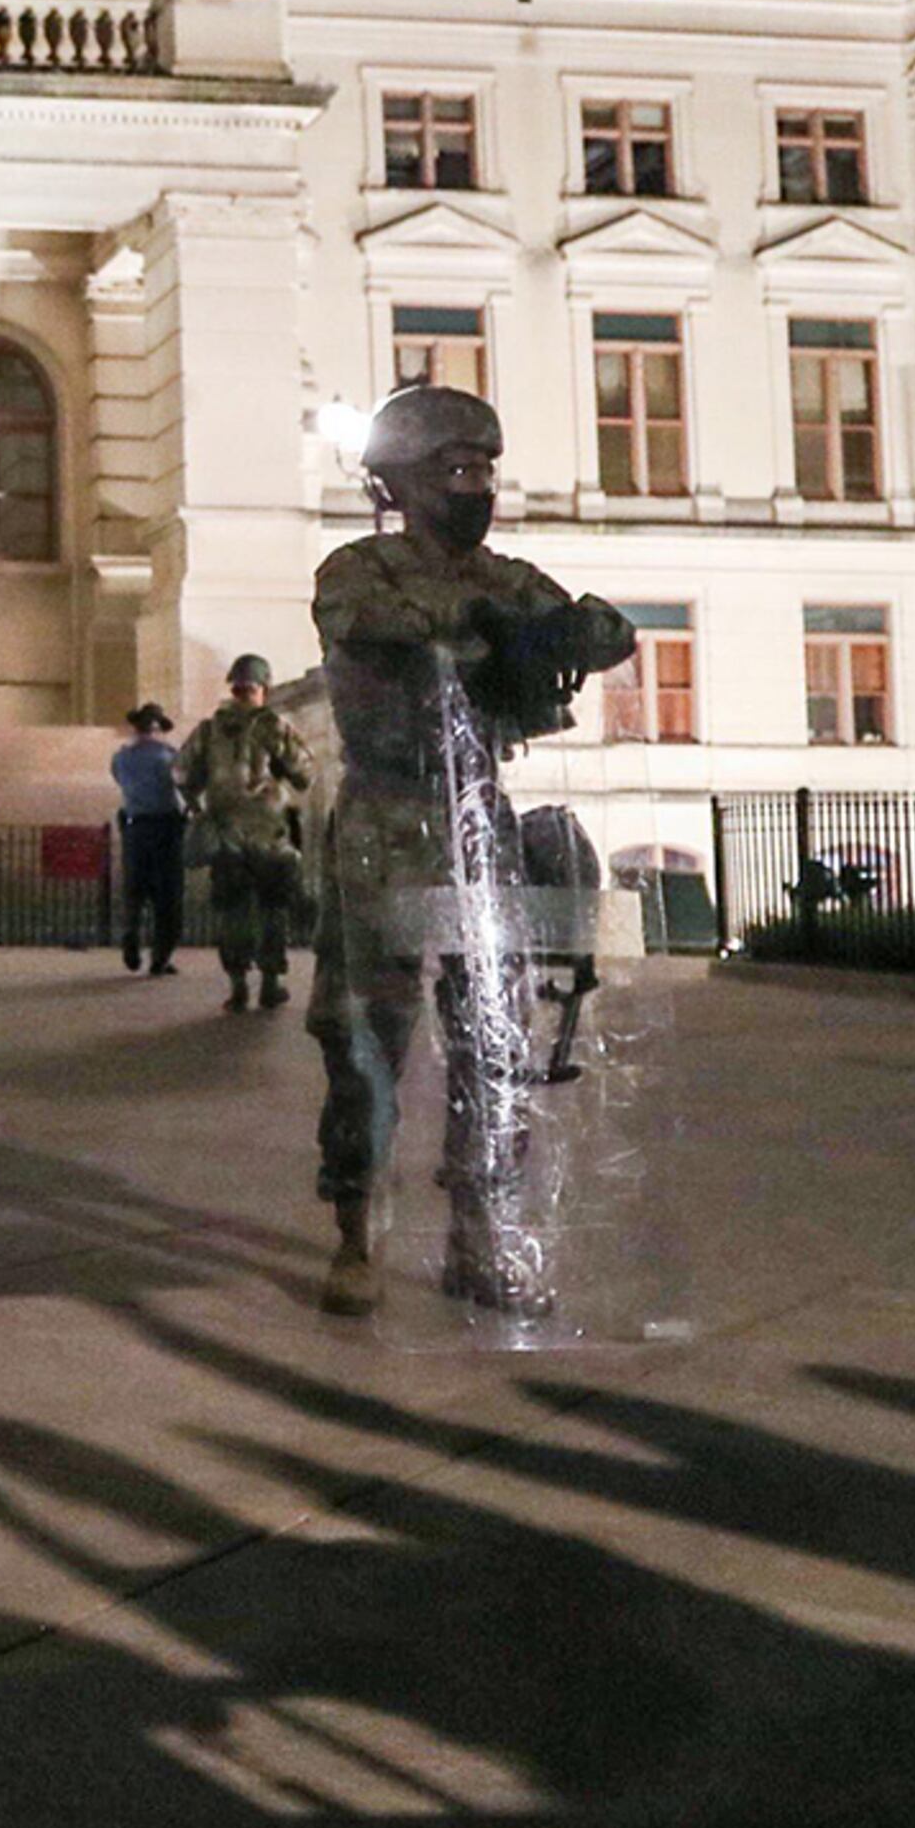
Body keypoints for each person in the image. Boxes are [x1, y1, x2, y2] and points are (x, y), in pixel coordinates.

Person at [309, 384, 636, 1319]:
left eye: (483, 469)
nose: (474, 486)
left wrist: (561, 630)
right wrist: (480, 634)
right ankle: (357, 1230)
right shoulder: (360, 567)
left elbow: (605, 631)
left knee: (492, 1039)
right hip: (384, 817)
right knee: (366, 1036)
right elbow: (365, 625)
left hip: (477, 818)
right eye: (454, 469)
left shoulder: (509, 576)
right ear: (401, 482)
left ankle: (481, 1233)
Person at [179, 653, 314, 1015]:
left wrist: (198, 807)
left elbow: (181, 775)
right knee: (273, 908)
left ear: (234, 688)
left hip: (227, 835)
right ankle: (271, 983)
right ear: (263, 688)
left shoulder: (208, 731)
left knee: (234, 910)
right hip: (270, 835)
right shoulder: (275, 727)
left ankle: (238, 986)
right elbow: (304, 775)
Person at [112, 702, 188, 976]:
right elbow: (184, 785)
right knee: (167, 897)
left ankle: (130, 935)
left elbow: (120, 782)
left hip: (135, 828)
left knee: (135, 891)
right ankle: (160, 957)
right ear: (159, 728)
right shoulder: (169, 756)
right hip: (166, 828)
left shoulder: (121, 757)